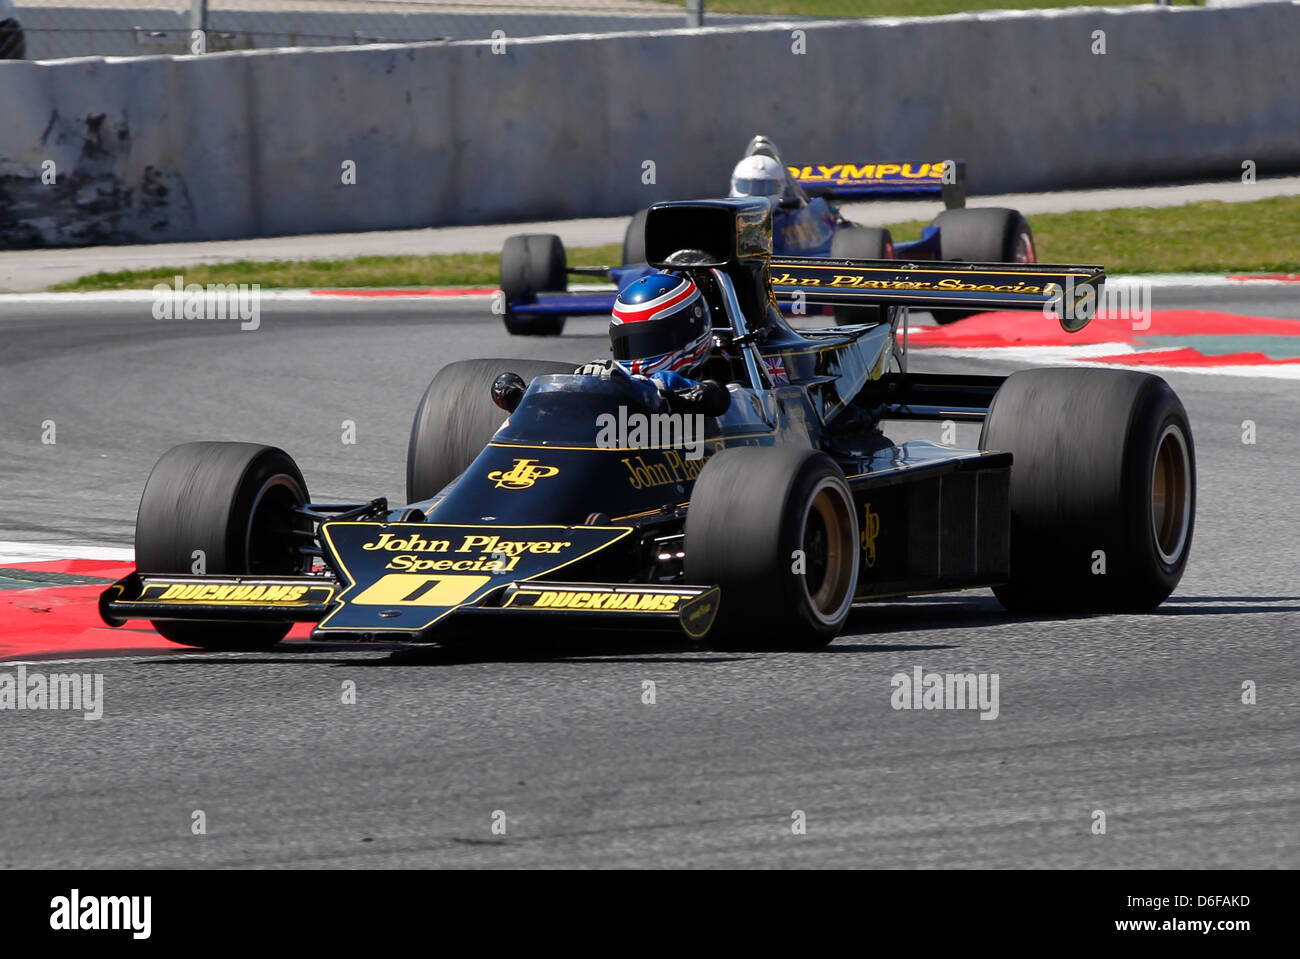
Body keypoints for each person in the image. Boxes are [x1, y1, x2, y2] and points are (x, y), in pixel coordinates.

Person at [577, 273, 730, 417]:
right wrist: (586, 384)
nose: (637, 362)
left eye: (651, 343)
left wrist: (636, 386)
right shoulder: (621, 384)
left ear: (691, 337)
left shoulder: (726, 384)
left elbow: (723, 397)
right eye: (628, 345)